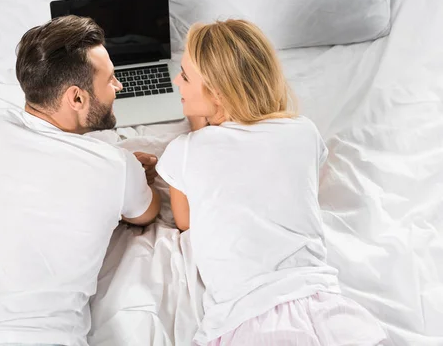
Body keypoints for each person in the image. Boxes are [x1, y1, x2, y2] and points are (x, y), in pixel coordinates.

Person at [0, 15, 161, 346]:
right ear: (76, 98)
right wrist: (135, 179)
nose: (119, 87)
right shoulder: (114, 166)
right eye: (110, 80)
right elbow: (146, 213)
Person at [156, 19, 387, 346]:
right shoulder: (303, 131)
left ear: (217, 93)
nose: (177, 81)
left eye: (186, 75)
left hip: (248, 315)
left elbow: (186, 221)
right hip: (324, 307)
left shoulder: (184, 151)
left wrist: (199, 127)